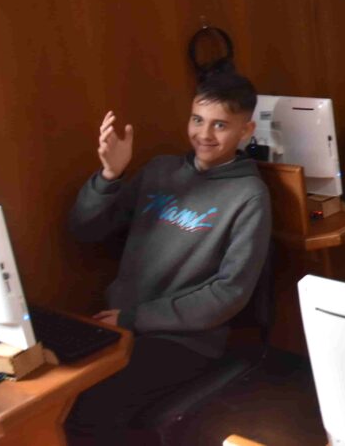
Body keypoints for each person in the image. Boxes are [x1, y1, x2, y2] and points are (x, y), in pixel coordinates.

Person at [66, 70, 272, 444]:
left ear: (246, 131)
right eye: (197, 120)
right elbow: (86, 230)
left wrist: (134, 318)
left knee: (93, 409)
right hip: (120, 323)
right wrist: (110, 175)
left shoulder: (249, 196)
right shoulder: (161, 169)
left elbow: (229, 294)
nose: (204, 134)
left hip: (184, 340)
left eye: (220, 125)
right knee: (61, 395)